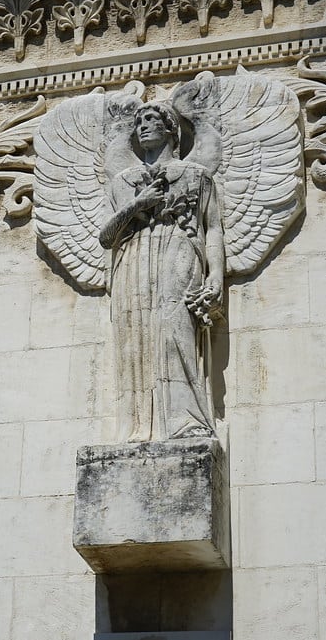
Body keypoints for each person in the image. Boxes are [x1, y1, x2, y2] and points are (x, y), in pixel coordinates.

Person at [98, 101, 225, 441]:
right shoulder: (122, 182)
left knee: (175, 327)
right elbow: (106, 237)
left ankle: (188, 421)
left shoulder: (197, 176)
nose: (143, 125)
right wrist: (137, 205)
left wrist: (216, 277)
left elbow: (213, 228)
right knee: (135, 337)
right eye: (139, 120)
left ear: (171, 128)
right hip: (133, 259)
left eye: (152, 118)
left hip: (180, 249)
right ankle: (138, 426)